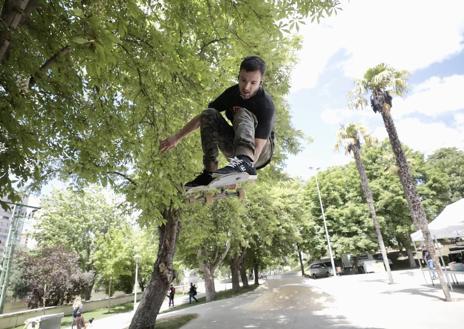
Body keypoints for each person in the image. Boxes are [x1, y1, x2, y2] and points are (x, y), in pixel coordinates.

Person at [159, 56, 275, 189]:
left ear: (261, 81)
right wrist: (176, 137)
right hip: (236, 147)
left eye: (253, 83)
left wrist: (245, 167)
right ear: (238, 76)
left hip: (259, 152)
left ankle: (244, 162)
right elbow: (202, 119)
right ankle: (210, 173)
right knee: (209, 113)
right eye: (243, 80)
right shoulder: (231, 94)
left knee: (242, 112)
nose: (246, 87)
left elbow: (260, 145)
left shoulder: (266, 104)